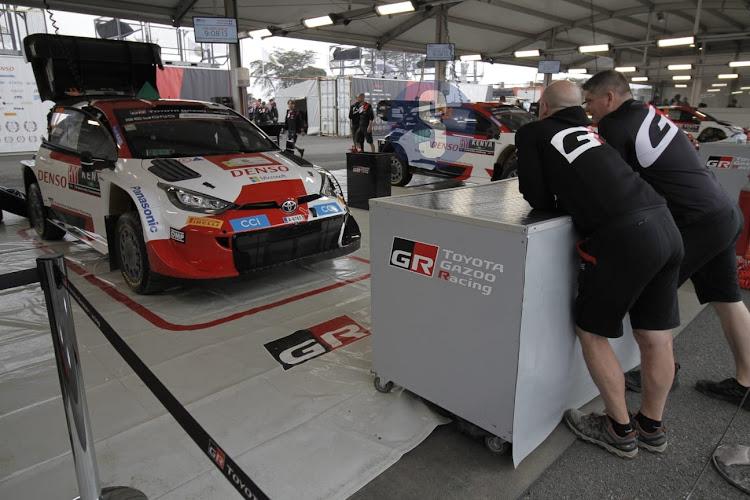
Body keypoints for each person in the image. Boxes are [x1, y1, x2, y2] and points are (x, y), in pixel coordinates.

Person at [516, 80, 684, 458]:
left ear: (543, 107)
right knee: (656, 337)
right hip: (665, 224)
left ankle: (619, 429)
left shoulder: (534, 131)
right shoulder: (592, 132)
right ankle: (651, 427)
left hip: (626, 235)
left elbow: (536, 195)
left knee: (591, 331)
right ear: (579, 107)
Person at [582, 70, 750, 411]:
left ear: (609, 98)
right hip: (723, 211)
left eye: (590, 101)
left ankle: (660, 372)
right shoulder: (647, 112)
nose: (589, 109)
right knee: (727, 299)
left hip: (696, 221)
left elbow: (615, 184)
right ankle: (746, 383)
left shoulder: (614, 125)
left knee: (652, 295)